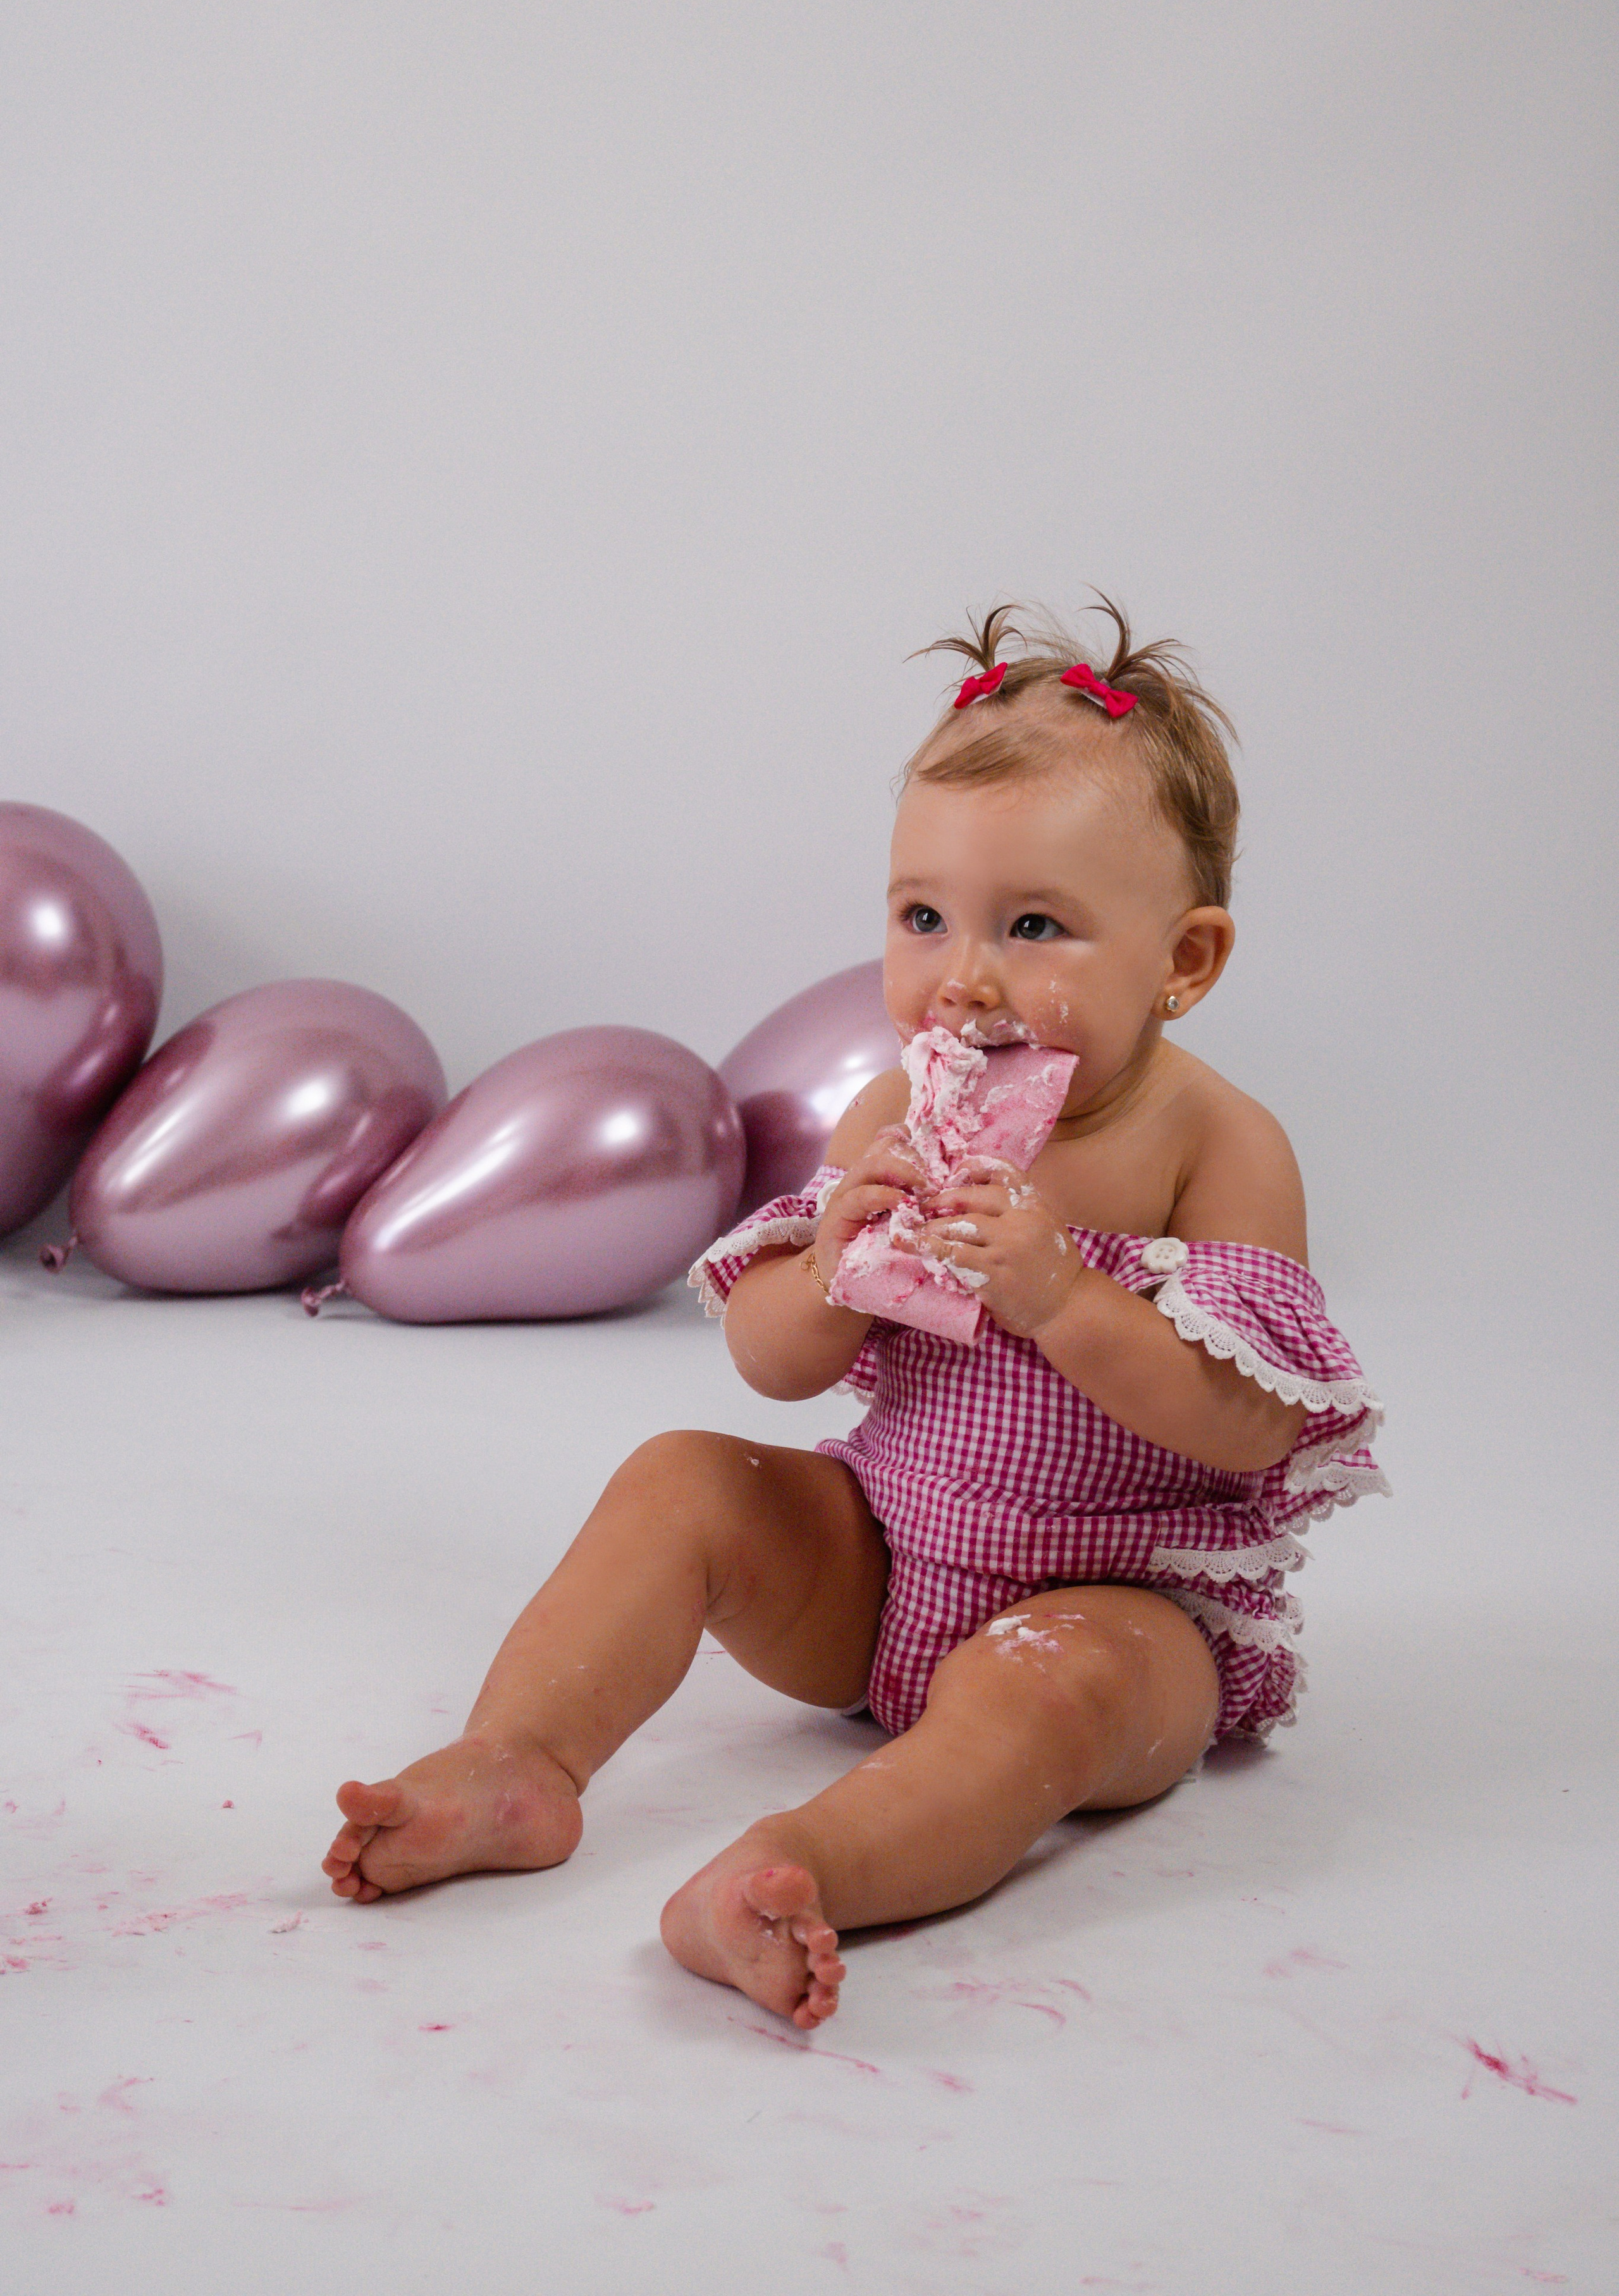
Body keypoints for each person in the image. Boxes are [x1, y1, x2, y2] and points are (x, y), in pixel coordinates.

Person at [321, 599, 1386, 2030]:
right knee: (681, 1478)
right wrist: (830, 1263)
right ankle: (518, 1762)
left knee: (1053, 1689)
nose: (965, 976)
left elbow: (1249, 1424)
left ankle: (791, 1868)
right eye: (923, 917)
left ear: (1182, 962)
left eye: (1034, 927)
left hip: (1119, 1608)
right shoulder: (898, 1109)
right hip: (882, 1570)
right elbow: (774, 1370)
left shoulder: (1214, 1145)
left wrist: (1060, 1294)